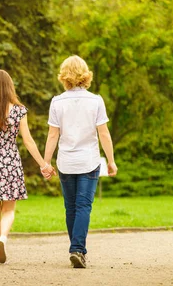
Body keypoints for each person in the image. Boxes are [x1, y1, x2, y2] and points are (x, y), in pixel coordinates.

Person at [41, 55, 117, 269]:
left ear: (64, 76)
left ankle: (77, 249)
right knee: (84, 206)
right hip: (89, 161)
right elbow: (104, 134)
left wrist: (46, 163)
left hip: (66, 161)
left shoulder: (57, 102)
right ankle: (77, 249)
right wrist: (111, 161)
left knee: (70, 207)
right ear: (85, 74)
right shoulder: (96, 101)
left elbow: (53, 136)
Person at [0, 69, 55, 264]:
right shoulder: (19, 110)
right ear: (10, 86)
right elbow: (28, 141)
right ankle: (3, 238)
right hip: (10, 161)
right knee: (9, 209)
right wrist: (43, 164)